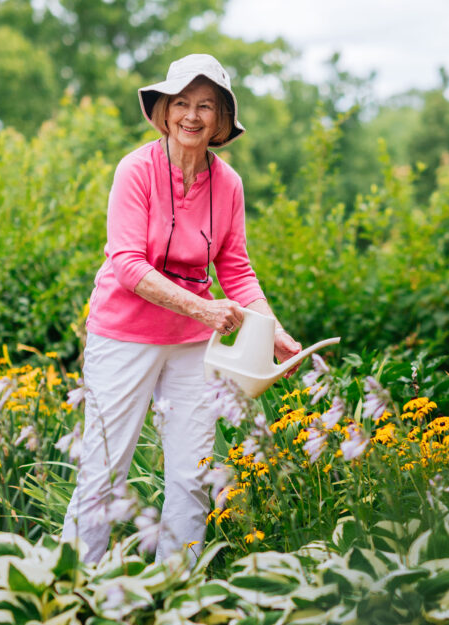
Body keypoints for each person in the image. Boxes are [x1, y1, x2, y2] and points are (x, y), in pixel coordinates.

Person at [62, 53, 302, 564]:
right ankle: (72, 591)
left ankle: (177, 591)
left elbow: (234, 268)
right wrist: (205, 309)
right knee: (104, 468)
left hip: (192, 344)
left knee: (192, 473)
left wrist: (273, 329)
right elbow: (127, 264)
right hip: (123, 335)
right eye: (183, 104)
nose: (193, 116)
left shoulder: (229, 184)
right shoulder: (135, 170)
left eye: (207, 106)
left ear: (221, 121)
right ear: (165, 112)